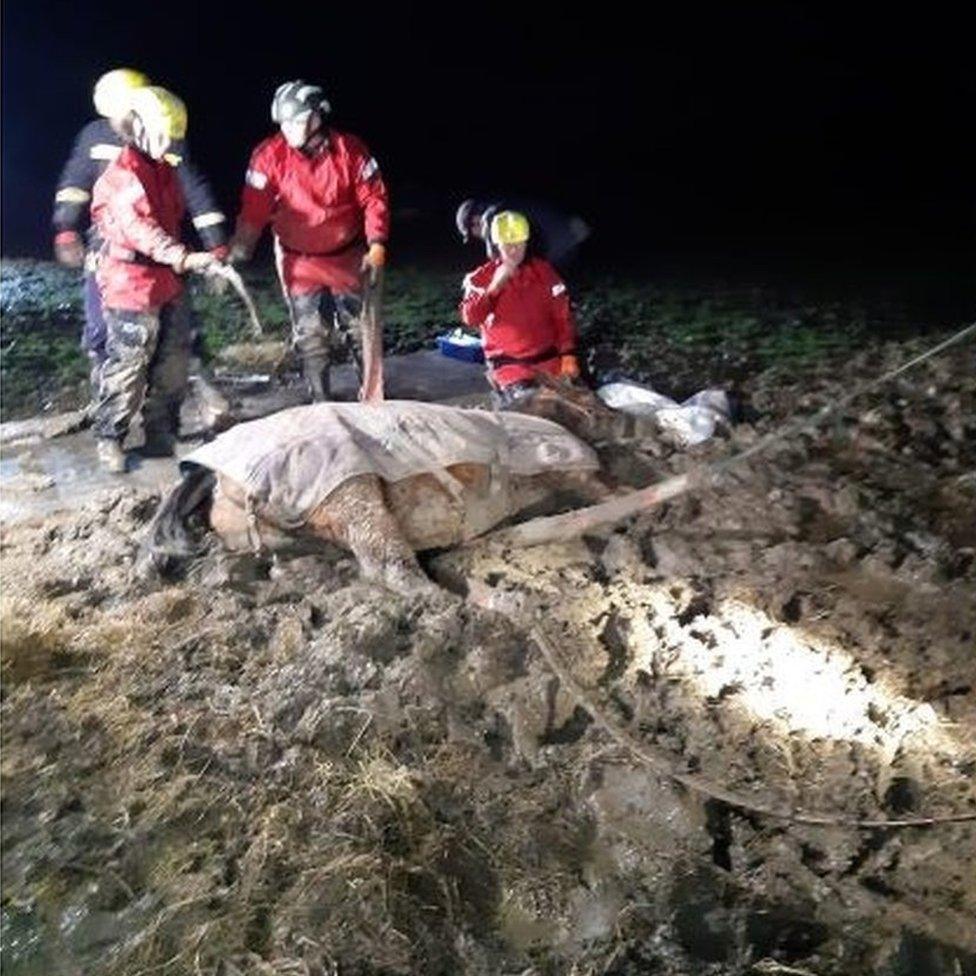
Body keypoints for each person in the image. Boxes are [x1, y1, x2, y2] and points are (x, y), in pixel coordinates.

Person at [53, 68, 228, 384]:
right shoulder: (94, 136)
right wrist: (66, 228)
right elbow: (74, 184)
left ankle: (205, 395)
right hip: (111, 251)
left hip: (164, 249)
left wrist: (216, 244)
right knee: (101, 329)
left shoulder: (165, 137)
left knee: (179, 327)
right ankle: (108, 395)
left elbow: (195, 190)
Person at [230, 80, 390, 402]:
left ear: (318, 117)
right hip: (298, 261)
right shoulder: (268, 156)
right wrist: (239, 251)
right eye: (283, 123)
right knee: (310, 337)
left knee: (362, 332)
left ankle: (373, 402)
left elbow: (374, 198)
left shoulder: (351, 150)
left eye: (296, 120)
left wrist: (377, 244)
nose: (288, 129)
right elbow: (253, 211)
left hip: (348, 256)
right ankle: (320, 402)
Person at [89, 87, 219, 473]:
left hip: (167, 282)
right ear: (138, 127)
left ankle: (162, 435)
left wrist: (204, 253)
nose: (170, 143)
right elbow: (139, 228)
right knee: (128, 366)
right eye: (165, 134)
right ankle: (109, 437)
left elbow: (178, 215)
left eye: (174, 136)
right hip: (130, 282)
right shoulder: (122, 175)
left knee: (173, 363)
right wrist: (185, 256)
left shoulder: (165, 169)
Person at [459, 210, 580, 407]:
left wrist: (568, 354)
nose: (514, 250)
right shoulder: (480, 278)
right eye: (508, 245)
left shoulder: (544, 272)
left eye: (519, 244)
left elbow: (562, 316)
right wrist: (494, 287)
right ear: (496, 245)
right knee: (540, 410)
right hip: (511, 368)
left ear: (527, 243)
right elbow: (470, 317)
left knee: (582, 406)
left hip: (550, 362)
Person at [455, 197, 589, 272]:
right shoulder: (507, 205)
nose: (478, 238)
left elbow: (497, 261)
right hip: (572, 239)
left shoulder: (492, 217)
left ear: (475, 220)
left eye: (472, 234)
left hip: (555, 248)